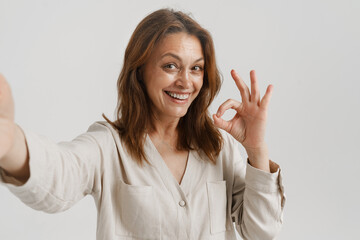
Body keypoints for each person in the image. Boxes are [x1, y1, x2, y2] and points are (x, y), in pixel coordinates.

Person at [0, 8, 285, 240]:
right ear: (140, 71)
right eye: (170, 66)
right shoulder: (109, 144)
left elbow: (262, 232)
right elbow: (59, 175)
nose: (186, 81)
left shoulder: (219, 147)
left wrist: (256, 148)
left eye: (196, 68)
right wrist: (9, 140)